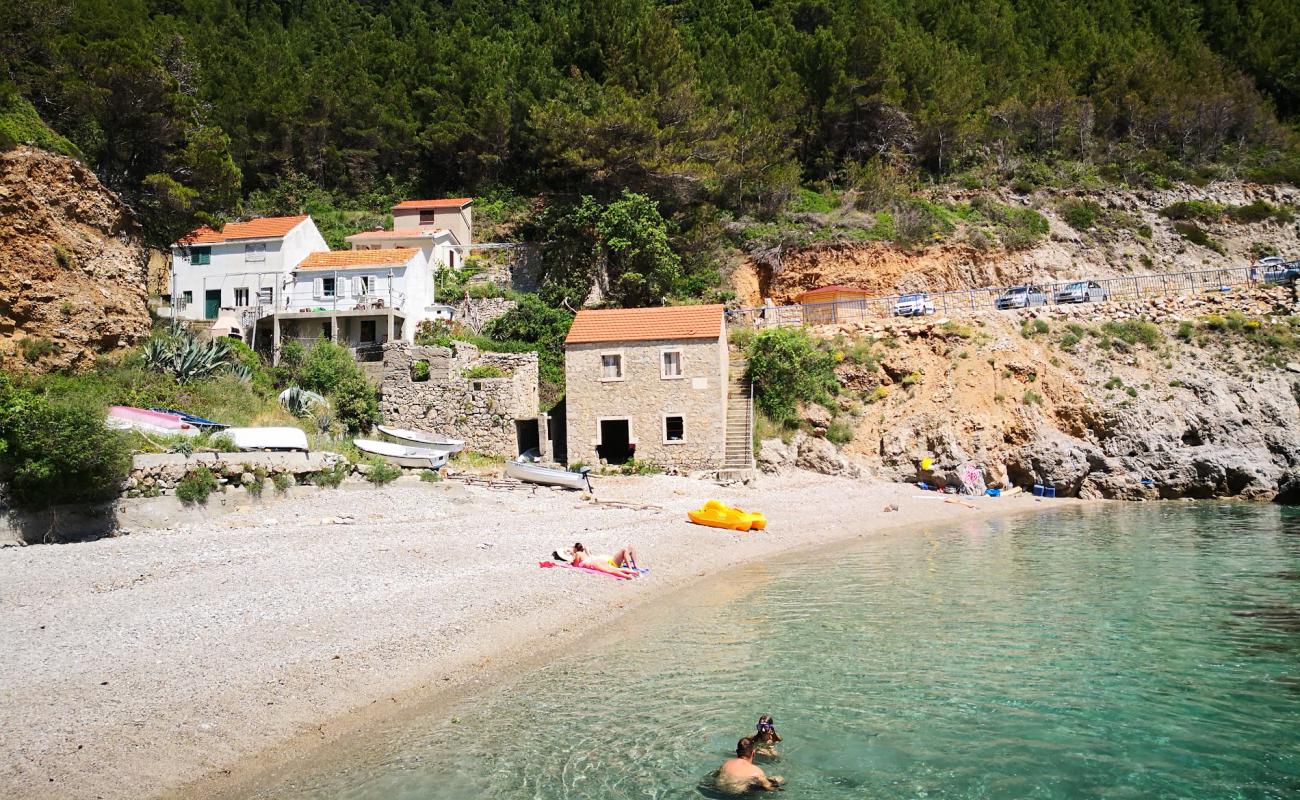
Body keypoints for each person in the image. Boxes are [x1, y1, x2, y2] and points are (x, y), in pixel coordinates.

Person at [715, 737, 783, 794]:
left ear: (737, 752)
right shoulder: (756, 772)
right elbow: (769, 788)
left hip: (720, 789)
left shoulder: (726, 764)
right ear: (753, 753)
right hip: (739, 794)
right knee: (779, 779)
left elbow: (715, 776)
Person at [564, 542, 640, 579]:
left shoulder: (578, 554)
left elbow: (576, 566)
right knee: (614, 569)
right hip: (597, 561)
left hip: (593, 564)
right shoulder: (583, 554)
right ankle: (634, 572)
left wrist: (570, 563)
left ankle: (628, 576)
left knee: (610, 571)